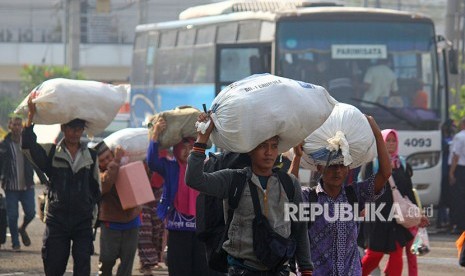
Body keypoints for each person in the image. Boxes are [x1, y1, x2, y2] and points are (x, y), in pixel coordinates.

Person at [185, 113, 313, 276]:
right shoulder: (233, 179)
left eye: (274, 146)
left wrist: (306, 269)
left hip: (279, 270)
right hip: (242, 269)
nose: (269, 152)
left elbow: (300, 227)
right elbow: (194, 180)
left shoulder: (290, 183)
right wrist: (202, 139)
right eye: (262, 146)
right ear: (250, 150)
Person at [291, 115, 391, 275]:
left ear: (348, 168)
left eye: (342, 165)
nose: (337, 171)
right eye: (331, 166)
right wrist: (297, 157)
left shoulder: (355, 195)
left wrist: (378, 135)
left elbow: (385, 174)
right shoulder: (309, 198)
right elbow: (290, 191)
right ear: (319, 168)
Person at [21, 96, 101, 276]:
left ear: (82, 130)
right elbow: (27, 147)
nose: (74, 133)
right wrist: (31, 117)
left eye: (78, 129)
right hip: (57, 220)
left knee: (82, 268)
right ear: (63, 128)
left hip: (82, 221)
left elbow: (96, 189)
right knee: (53, 266)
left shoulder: (91, 156)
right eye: (71, 129)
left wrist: (93, 218)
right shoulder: (51, 153)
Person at [359, 129, 428, 276]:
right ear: (381, 142)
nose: (390, 144)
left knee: (397, 253)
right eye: (387, 141)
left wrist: (418, 214)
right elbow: (364, 188)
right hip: (376, 217)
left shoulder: (402, 164)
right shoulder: (372, 163)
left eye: (393, 141)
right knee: (374, 255)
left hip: (397, 218)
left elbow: (408, 192)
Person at [146, 117, 209, 276]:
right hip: (177, 229)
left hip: (200, 230)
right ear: (176, 148)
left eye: (192, 147)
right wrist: (155, 136)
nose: (188, 151)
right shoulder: (170, 166)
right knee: (179, 270)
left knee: (201, 270)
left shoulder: (205, 167)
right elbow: (152, 161)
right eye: (184, 147)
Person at [93, 141, 142, 276]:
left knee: (127, 263)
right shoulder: (100, 176)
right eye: (102, 160)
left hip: (132, 221)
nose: (107, 161)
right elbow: (106, 184)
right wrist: (116, 160)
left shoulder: (126, 166)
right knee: (107, 260)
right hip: (111, 223)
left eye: (109, 157)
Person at [0, 114, 36, 251]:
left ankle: (23, 228)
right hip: (10, 186)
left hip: (27, 185)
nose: (16, 127)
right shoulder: (4, 145)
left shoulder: (27, 143)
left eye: (19, 125)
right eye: (14, 124)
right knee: (12, 215)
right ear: (9, 126)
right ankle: (15, 243)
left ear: (22, 127)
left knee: (31, 213)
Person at [138, 164, 165, 275]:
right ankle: (146, 263)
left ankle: (151, 259)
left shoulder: (164, 149)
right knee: (145, 228)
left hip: (159, 186)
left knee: (158, 227)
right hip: (140, 185)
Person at [437, 119, 455, 230]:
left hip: (449, 170)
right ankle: (441, 220)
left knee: (447, 197)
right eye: (451, 126)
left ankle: (445, 219)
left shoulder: (453, 138)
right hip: (442, 171)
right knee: (442, 197)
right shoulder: (441, 139)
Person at [449, 118, 465, 234]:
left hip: (460, 169)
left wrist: (451, 172)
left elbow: (456, 156)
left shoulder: (460, 136)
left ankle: (459, 225)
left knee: (458, 198)